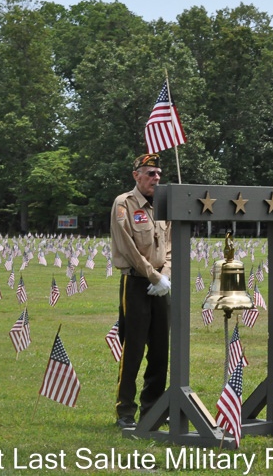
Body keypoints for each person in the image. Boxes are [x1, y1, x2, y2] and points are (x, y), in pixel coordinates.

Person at [110, 153, 172, 429]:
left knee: (160, 351)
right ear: (136, 176)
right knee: (132, 349)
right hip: (136, 282)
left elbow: (169, 246)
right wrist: (153, 276)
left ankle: (153, 410)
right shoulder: (124, 203)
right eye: (150, 173)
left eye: (158, 173)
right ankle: (125, 411)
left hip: (161, 286)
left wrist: (164, 276)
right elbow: (127, 247)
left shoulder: (164, 205)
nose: (156, 178)